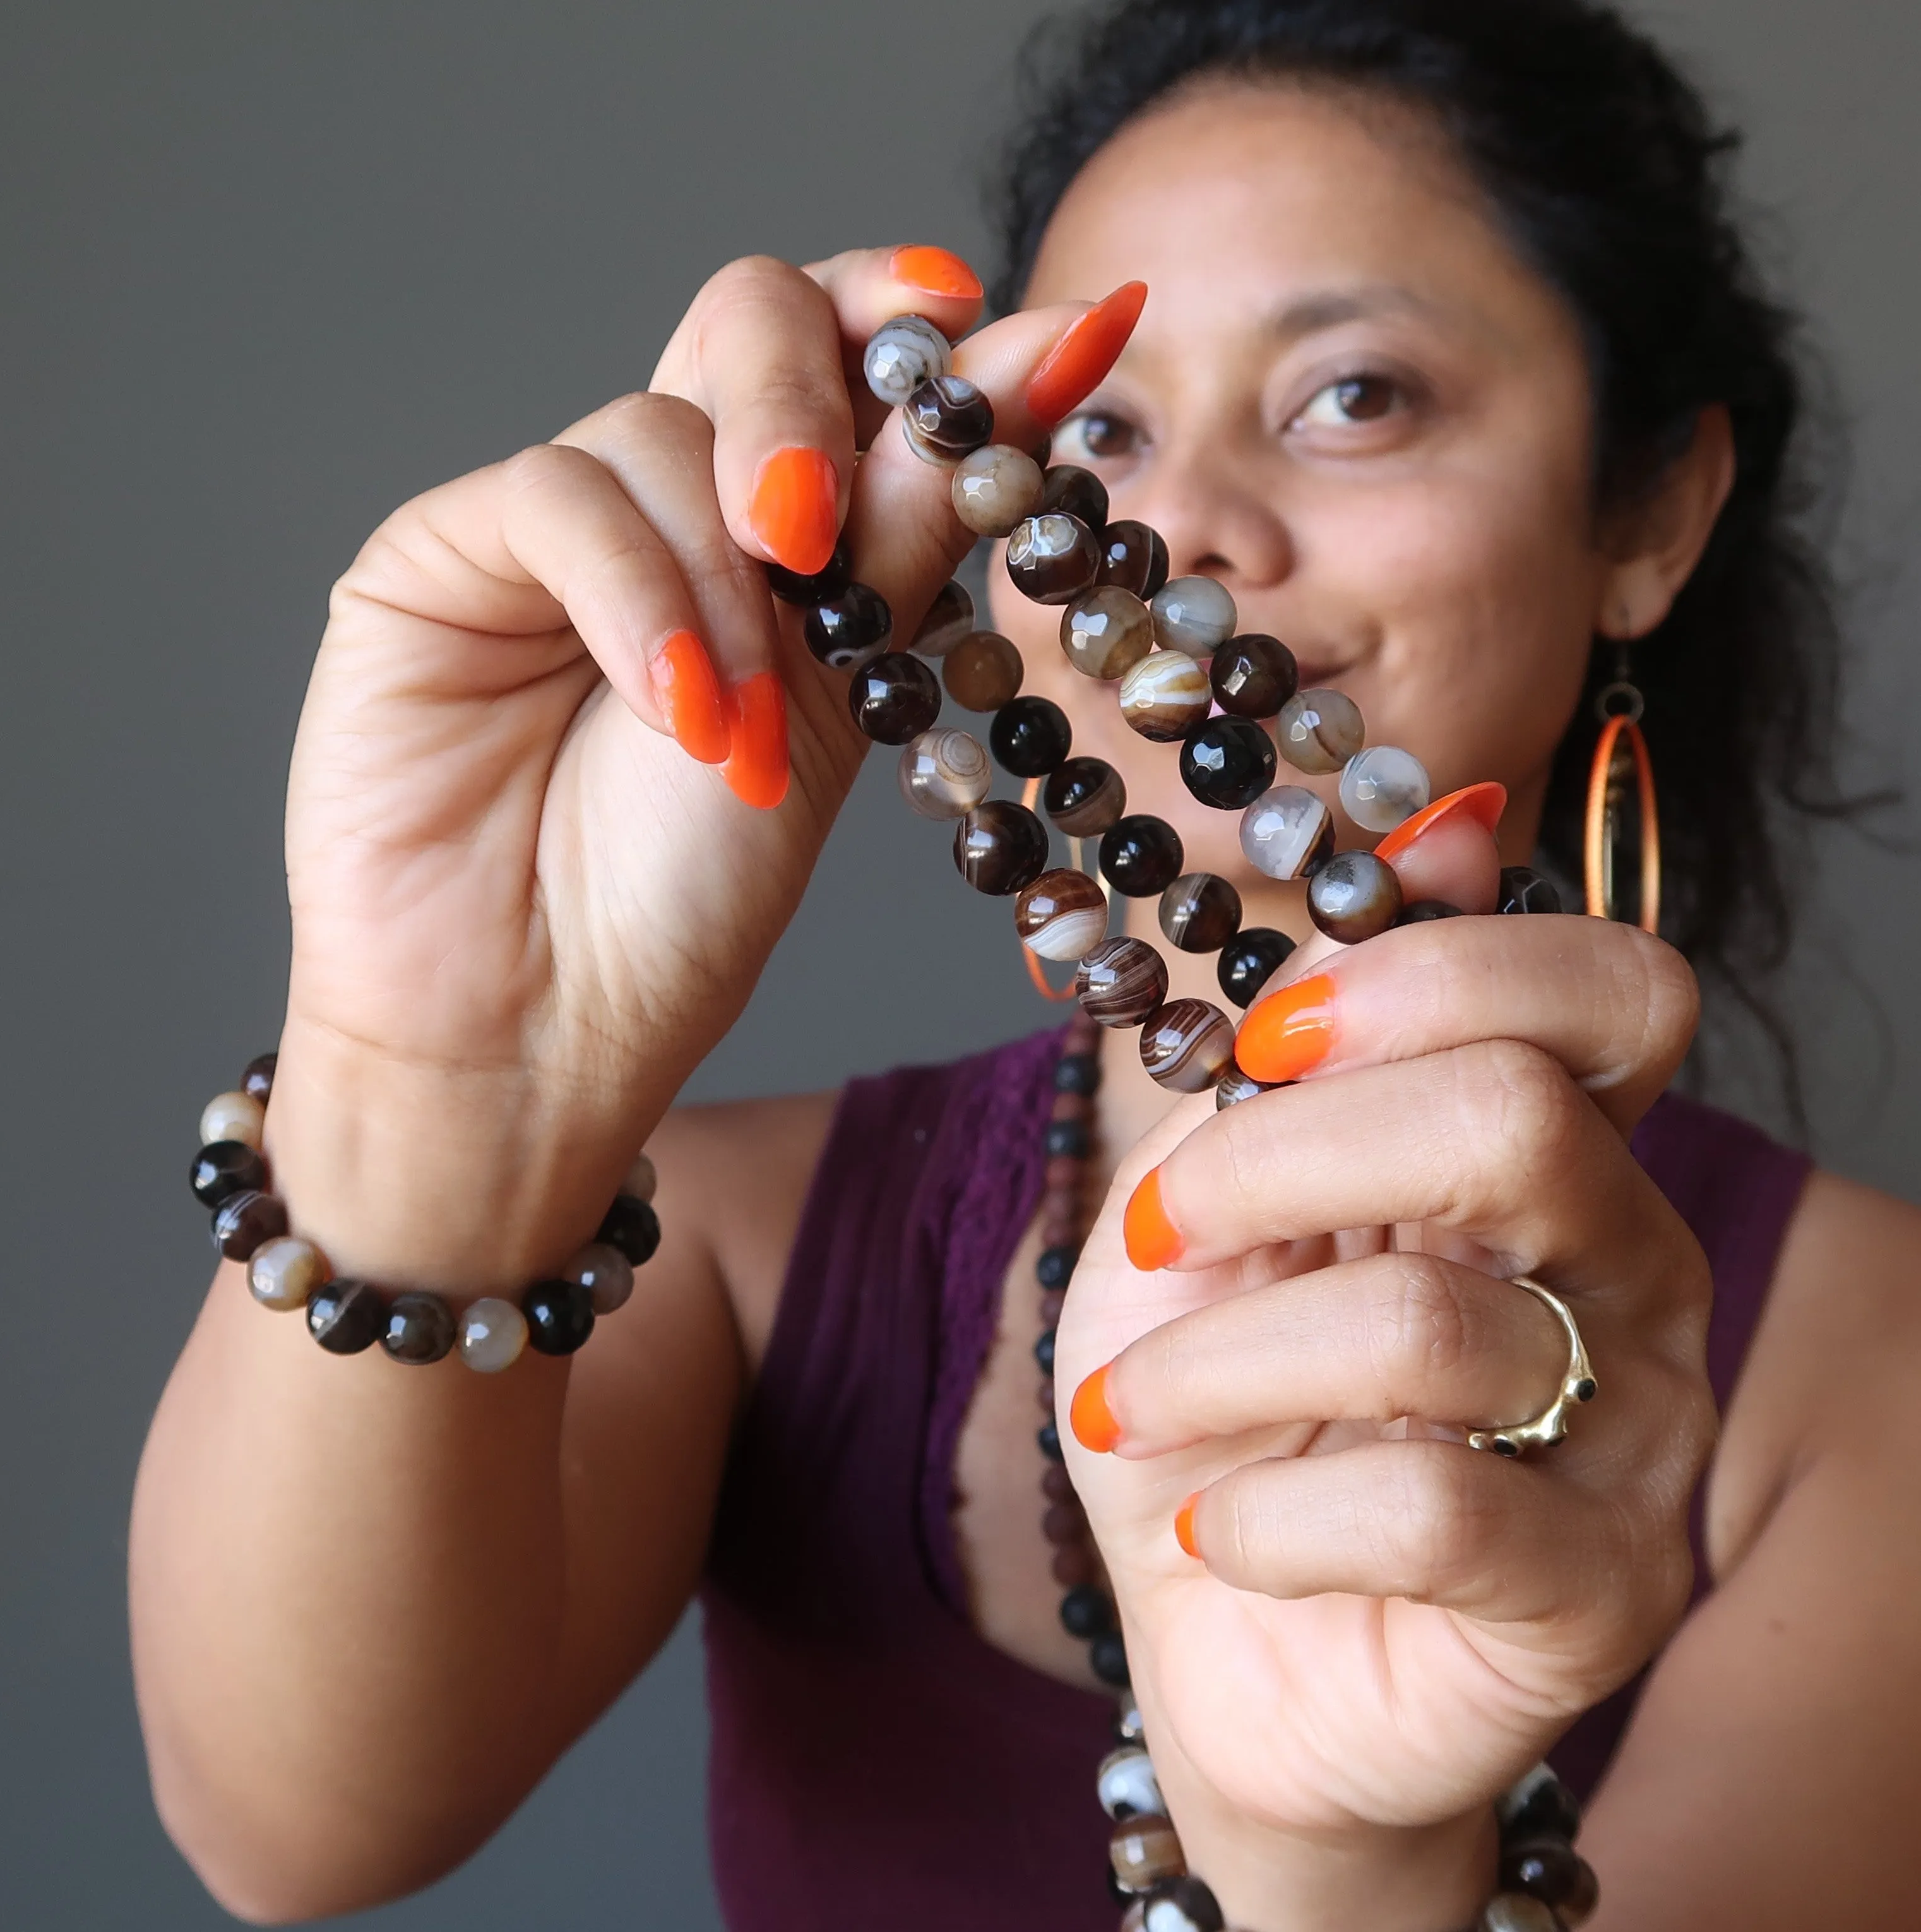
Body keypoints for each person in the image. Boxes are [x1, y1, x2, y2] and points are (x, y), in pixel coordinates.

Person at [128, 1, 1921, 1926]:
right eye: (1097, 432)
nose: (1193, 529)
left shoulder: (1864, 1371)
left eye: (1354, 396)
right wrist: (443, 1070)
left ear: (1649, 512)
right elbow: (292, 1839)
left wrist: (1340, 1863)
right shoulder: (735, 1249)